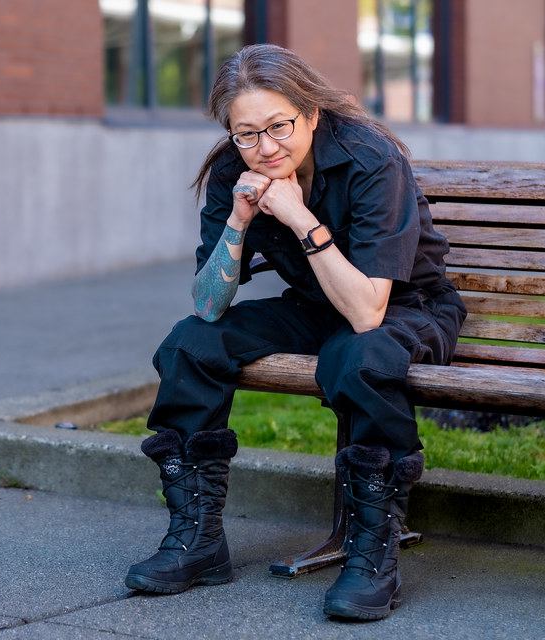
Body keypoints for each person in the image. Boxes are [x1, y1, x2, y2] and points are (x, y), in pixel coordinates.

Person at [123, 44, 466, 622]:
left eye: (279, 126)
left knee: (358, 358)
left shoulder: (370, 158)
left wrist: (301, 218)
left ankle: (371, 556)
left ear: (310, 114)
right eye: (247, 133)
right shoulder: (235, 172)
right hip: (315, 305)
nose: (266, 147)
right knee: (190, 344)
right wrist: (238, 220)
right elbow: (209, 305)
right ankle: (198, 542)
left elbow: (366, 313)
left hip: (404, 308)